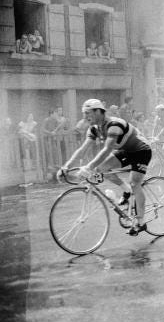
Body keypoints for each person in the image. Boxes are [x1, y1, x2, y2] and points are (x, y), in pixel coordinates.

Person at [57, 99, 152, 235]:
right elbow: (82, 149)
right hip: (125, 150)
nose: (85, 117)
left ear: (99, 111)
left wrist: (88, 167)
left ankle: (141, 222)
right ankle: (126, 190)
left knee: (135, 183)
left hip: (141, 150)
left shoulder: (114, 125)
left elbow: (107, 149)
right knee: (100, 169)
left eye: (88, 113)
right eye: (83, 113)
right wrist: (65, 167)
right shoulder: (94, 129)